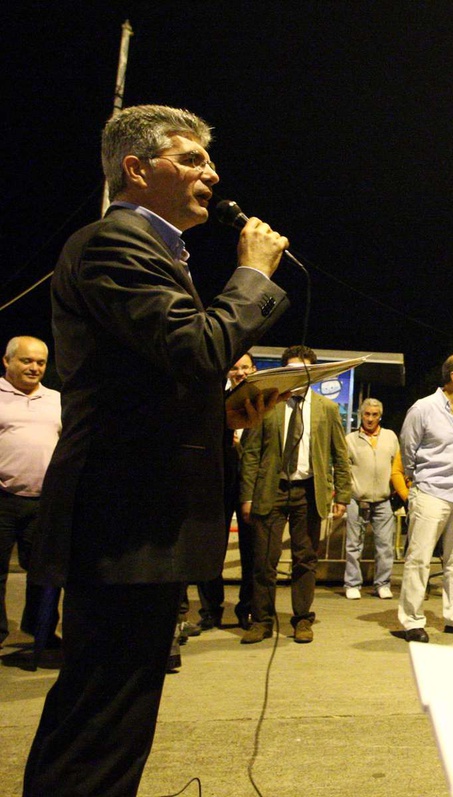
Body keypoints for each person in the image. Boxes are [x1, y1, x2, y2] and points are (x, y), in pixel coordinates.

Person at [25, 104, 289, 796]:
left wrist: (229, 411)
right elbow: (199, 346)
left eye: (209, 159)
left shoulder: (156, 251)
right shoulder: (115, 243)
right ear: (137, 169)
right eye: (193, 159)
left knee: (115, 715)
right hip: (122, 524)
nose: (213, 173)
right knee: (99, 722)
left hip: (141, 522)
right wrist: (253, 275)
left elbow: (153, 381)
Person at [240, 345, 352, 644]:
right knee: (264, 561)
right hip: (270, 491)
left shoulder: (327, 409)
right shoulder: (267, 404)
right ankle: (261, 620)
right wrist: (247, 495)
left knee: (305, 560)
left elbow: (340, 455)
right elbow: (251, 453)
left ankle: (302, 619)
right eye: (290, 370)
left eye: (302, 370)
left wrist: (342, 494)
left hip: (308, 491)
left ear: (312, 373)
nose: (297, 376)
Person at [396, 351, 453, 642]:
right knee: (419, 559)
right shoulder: (424, 408)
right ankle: (411, 621)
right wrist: (419, 479)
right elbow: (407, 450)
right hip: (432, 492)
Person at [190, 353, 259, 633]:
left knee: (252, 553)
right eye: (235, 367)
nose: (240, 372)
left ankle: (247, 610)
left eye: (245, 367)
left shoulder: (267, 400)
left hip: (252, 486)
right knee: (211, 550)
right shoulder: (216, 400)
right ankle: (210, 611)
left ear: (254, 370)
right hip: (219, 484)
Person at [0, 336, 61, 649]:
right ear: (7, 361)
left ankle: (41, 633)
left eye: (40, 362)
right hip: (3, 500)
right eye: (27, 361)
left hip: (44, 502)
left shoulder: (56, 399)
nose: (34, 367)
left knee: (44, 572)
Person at [344, 398, 406, 600]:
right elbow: (343, 470)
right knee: (354, 544)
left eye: (374, 414)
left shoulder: (390, 437)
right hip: (356, 498)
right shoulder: (350, 439)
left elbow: (397, 467)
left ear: (380, 416)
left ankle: (382, 583)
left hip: (383, 500)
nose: (370, 418)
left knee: (385, 545)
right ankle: (352, 584)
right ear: (361, 415)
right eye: (366, 414)